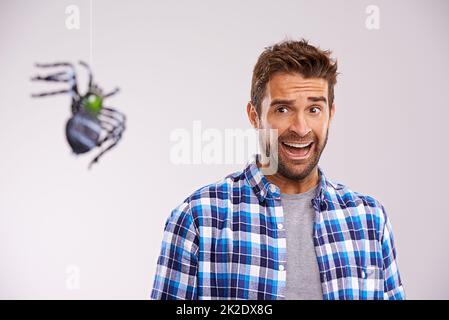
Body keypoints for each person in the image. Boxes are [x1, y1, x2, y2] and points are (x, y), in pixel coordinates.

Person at [151, 38, 405, 300]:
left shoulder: (370, 220)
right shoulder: (199, 219)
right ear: (254, 116)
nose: (301, 127)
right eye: (283, 109)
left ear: (330, 114)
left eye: (314, 109)